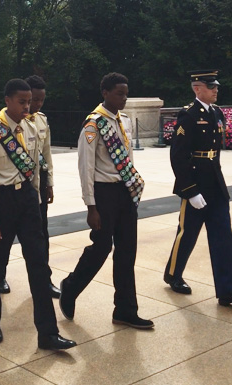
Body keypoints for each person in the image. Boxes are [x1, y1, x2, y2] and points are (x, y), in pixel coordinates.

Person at [0, 78, 76, 349]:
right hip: (2, 202)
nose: (27, 106)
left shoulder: (33, 127)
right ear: (7, 100)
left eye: (29, 101)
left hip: (27, 201)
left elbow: (34, 165)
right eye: (21, 101)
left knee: (38, 263)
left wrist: (38, 193)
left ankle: (48, 333)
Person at [59, 72, 154, 329]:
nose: (123, 98)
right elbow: (86, 168)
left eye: (126, 93)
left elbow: (128, 159)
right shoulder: (93, 125)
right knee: (101, 249)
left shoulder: (124, 121)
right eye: (119, 93)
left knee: (127, 252)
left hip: (124, 193)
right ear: (105, 93)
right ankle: (71, 286)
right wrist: (91, 206)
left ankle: (125, 309)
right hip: (103, 195)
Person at [164, 69, 232, 305]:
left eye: (216, 86)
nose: (216, 90)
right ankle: (173, 274)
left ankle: (226, 291)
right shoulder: (189, 115)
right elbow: (178, 156)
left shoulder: (216, 113)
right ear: (197, 89)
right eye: (211, 87)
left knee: (223, 237)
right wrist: (191, 190)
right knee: (188, 234)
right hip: (196, 183)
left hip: (215, 183)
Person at [0, 75, 61, 298]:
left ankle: (44, 279)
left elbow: (47, 153)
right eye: (33, 100)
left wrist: (50, 182)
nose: (36, 105)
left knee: (40, 233)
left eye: (41, 101)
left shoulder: (41, 120)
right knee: (4, 237)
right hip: (13, 184)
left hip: (37, 180)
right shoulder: (5, 126)